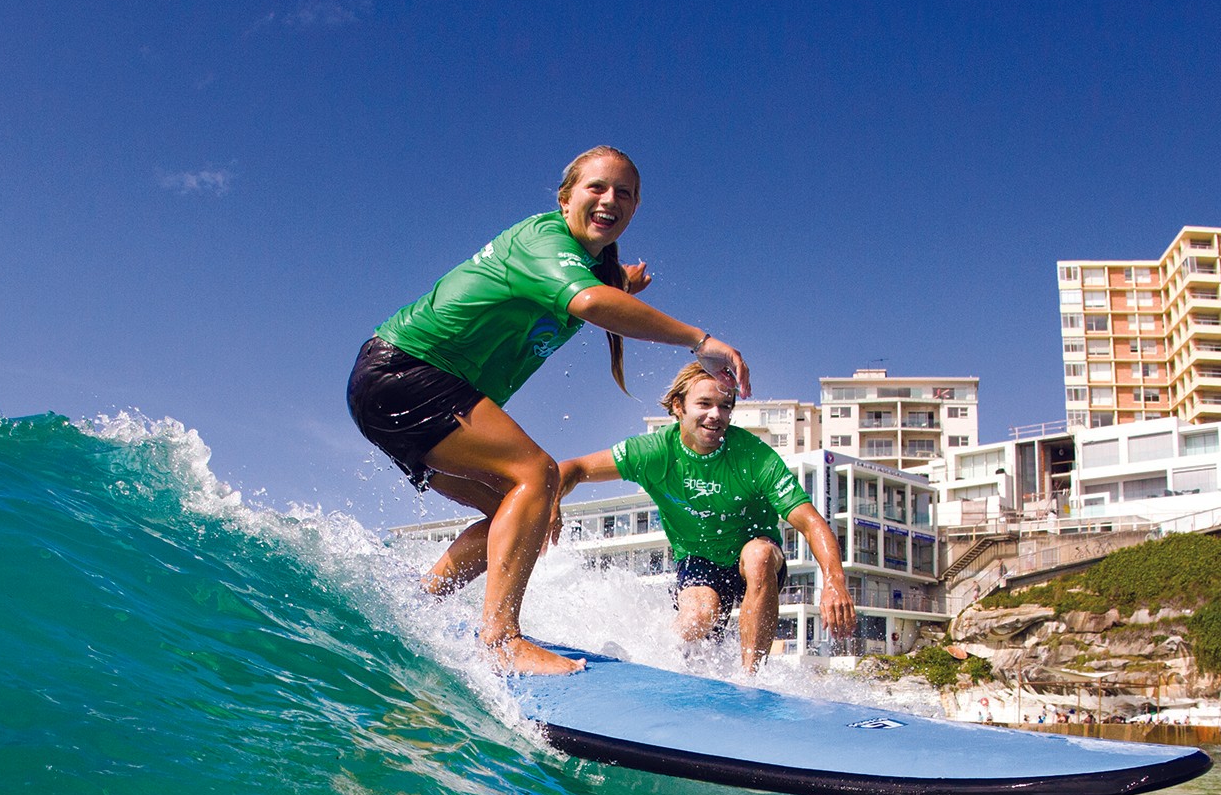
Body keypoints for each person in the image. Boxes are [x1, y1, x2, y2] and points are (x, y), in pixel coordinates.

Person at [347, 147, 749, 675]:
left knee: (518, 516)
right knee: (538, 475)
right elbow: (588, 302)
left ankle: (421, 603)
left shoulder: (586, 264)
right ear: (565, 199)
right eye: (597, 188)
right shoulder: (543, 240)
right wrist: (700, 341)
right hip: (408, 373)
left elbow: (601, 288)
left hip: (393, 388)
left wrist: (624, 280)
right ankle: (502, 640)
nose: (611, 200)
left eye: (624, 193)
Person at [556, 362, 855, 672]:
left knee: (759, 555)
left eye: (725, 406)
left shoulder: (753, 456)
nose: (716, 414)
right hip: (699, 559)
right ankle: (664, 669)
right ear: (678, 407)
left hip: (754, 559)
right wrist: (553, 502)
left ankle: (753, 679)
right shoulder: (655, 452)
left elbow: (811, 521)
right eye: (704, 404)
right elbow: (572, 469)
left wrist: (834, 581)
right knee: (698, 618)